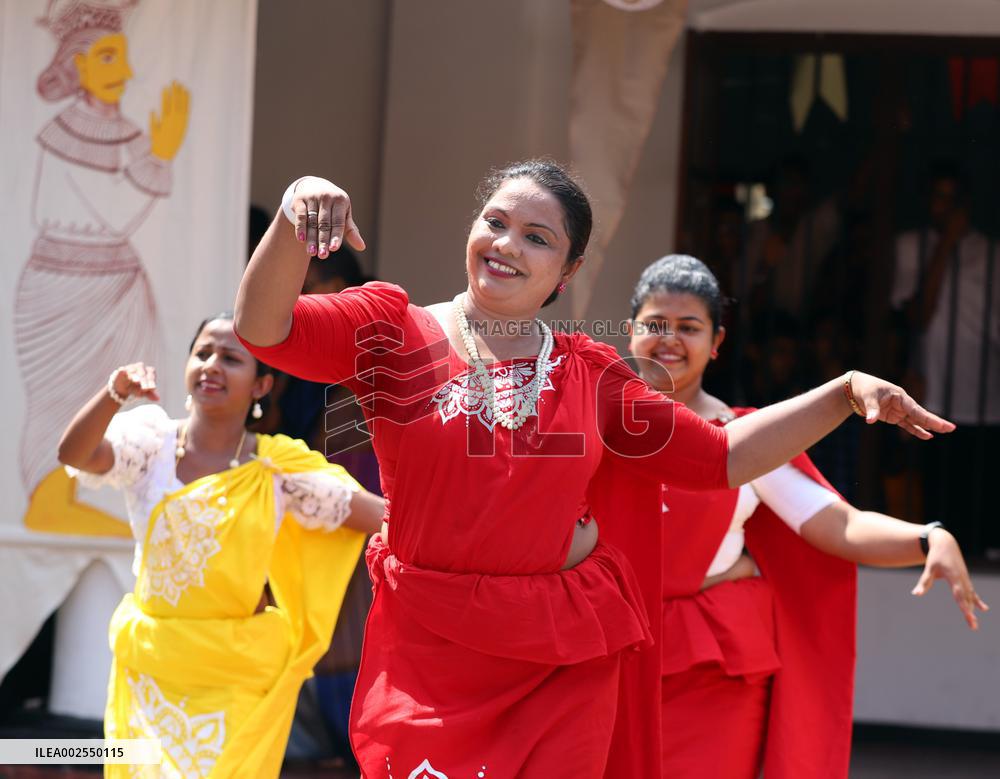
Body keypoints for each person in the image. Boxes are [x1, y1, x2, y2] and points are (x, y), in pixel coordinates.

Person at [233, 161, 952, 778]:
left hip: (558, 665)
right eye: (496, 221)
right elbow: (263, 330)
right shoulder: (390, 329)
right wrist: (297, 211)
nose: (506, 245)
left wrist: (841, 391)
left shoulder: (590, 372)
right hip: (429, 655)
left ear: (568, 271)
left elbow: (723, 455)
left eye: (537, 238)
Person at [627, 254, 987, 779]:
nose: (670, 340)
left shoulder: (744, 438)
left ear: (717, 341)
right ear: (630, 328)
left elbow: (838, 525)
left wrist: (930, 538)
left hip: (713, 672)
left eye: (689, 327)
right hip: (607, 656)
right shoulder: (590, 425)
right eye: (654, 325)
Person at [57, 313, 385, 777]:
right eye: (203, 353)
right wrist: (114, 394)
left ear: (261, 385)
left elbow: (380, 518)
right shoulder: (151, 445)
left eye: (230, 358)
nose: (212, 365)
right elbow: (75, 455)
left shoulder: (276, 470)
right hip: (153, 670)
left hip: (236, 677)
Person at [19, 0, 189, 535]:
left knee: (125, 413)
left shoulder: (128, 134)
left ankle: (100, 500)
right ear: (78, 67)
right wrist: (160, 156)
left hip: (120, 288)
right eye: (110, 58)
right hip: (62, 290)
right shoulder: (63, 133)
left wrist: (155, 153)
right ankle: (51, 498)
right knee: (64, 403)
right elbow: (114, 216)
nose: (127, 72)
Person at [891, 161, 1000, 553]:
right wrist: (945, 246)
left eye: (953, 200)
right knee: (936, 513)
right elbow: (917, 315)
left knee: (978, 517)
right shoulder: (910, 247)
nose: (946, 208)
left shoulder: (990, 254)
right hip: (930, 397)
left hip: (985, 402)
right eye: (939, 198)